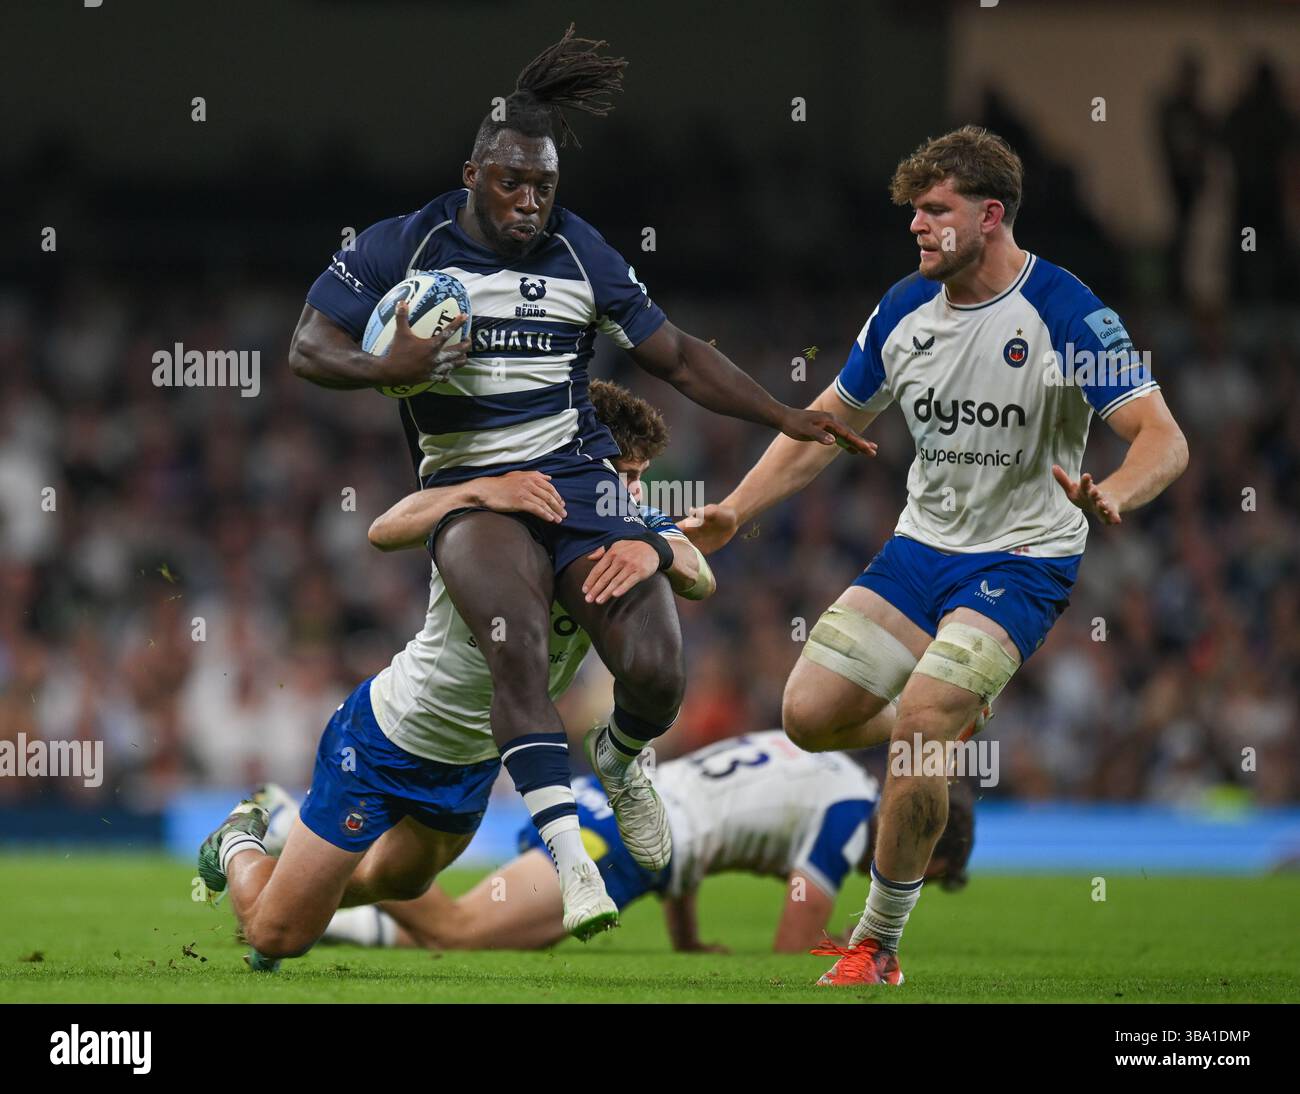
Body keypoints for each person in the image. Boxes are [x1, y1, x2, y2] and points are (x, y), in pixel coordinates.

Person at [284, 25, 872, 919]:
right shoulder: (405, 244)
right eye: (513, 182)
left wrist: (784, 413)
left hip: (575, 475)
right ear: (474, 173)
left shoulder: (580, 250)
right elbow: (307, 347)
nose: (530, 201)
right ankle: (574, 862)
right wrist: (386, 371)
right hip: (473, 487)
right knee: (516, 645)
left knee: (656, 669)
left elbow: (674, 354)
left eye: (545, 186)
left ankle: (624, 758)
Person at [684, 126, 1188, 985]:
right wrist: (734, 511)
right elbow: (829, 425)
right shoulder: (902, 310)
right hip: (921, 549)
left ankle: (877, 944)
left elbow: (1162, 438)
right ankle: (946, 716)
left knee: (918, 731)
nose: (917, 227)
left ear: (990, 217)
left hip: (1024, 557)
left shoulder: (1064, 308)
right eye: (913, 213)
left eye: (934, 211)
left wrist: (1119, 493)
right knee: (807, 714)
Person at [196, 381, 717, 965]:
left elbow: (700, 573)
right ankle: (239, 839)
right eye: (623, 471)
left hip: (477, 758)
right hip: (389, 738)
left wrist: (661, 551)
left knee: (401, 883)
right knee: (277, 936)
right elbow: (384, 529)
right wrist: (479, 489)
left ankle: (290, 872)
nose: (633, 489)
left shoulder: (631, 524)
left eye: (640, 476)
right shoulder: (509, 507)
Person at [258, 734, 975, 955]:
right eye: (924, 871)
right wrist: (848, 949)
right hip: (619, 844)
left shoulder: (815, 764)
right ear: (926, 845)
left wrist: (687, 942)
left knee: (465, 934)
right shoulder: (851, 814)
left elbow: (702, 831)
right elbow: (795, 939)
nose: (903, 876)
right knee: (465, 931)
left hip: (622, 817)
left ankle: (308, 907)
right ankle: (289, 823)